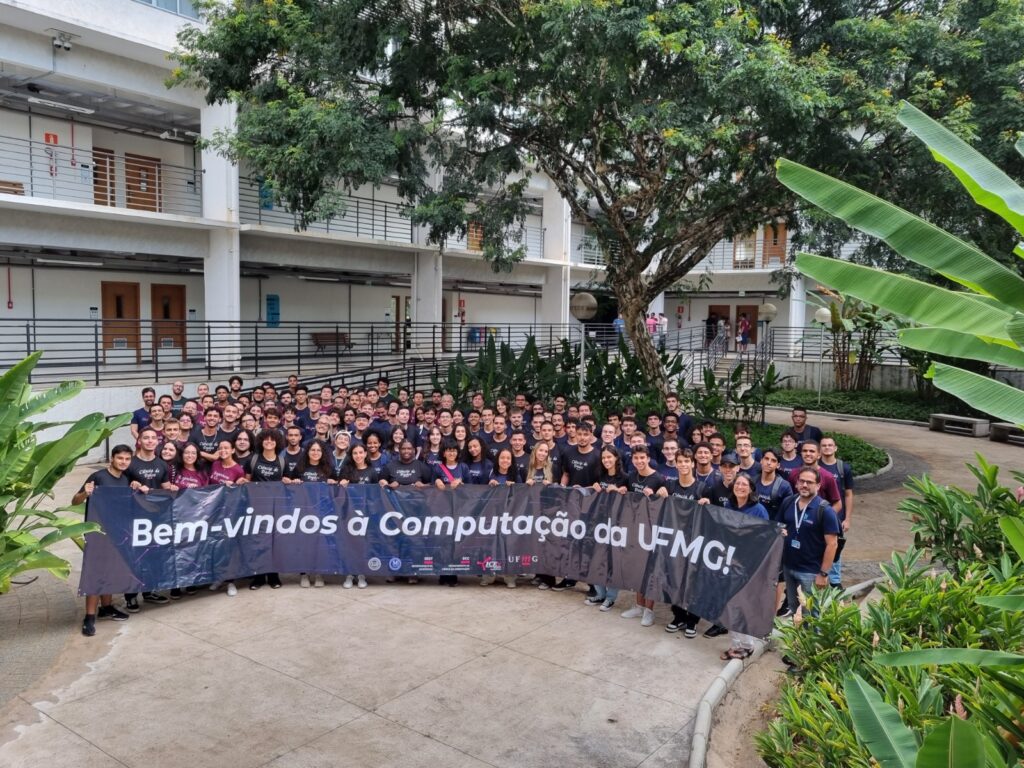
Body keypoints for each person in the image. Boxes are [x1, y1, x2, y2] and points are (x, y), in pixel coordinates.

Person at [74, 445, 133, 636]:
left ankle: (106, 607)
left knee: (110, 570)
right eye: (120, 458)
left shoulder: (126, 479)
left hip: (117, 531)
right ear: (112, 459)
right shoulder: (98, 476)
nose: (123, 462)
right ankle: (89, 616)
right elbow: (75, 500)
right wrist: (85, 493)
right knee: (96, 572)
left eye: (127, 459)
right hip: (97, 532)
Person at [780, 467, 840, 631]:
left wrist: (823, 574)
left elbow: (832, 544)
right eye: (802, 481)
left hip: (811, 572)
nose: (805, 485)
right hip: (789, 567)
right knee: (796, 611)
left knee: (812, 615)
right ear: (796, 483)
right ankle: (799, 642)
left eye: (809, 482)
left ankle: (813, 644)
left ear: (818, 486)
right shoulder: (788, 502)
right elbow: (780, 526)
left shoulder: (825, 510)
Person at [720, 474, 769, 660]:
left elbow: (765, 538)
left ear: (751, 489)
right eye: (737, 483)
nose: (740, 487)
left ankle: (747, 645)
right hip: (729, 562)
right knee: (729, 604)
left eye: (744, 484)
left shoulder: (759, 510)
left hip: (748, 565)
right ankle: (735, 645)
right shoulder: (728, 505)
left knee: (743, 605)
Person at [620, 445, 666, 627]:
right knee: (638, 568)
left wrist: (657, 495)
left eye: (642, 458)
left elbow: (665, 501)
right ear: (632, 460)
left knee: (650, 571)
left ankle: (649, 611)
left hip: (652, 529)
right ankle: (639, 606)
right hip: (635, 527)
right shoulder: (631, 476)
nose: (639, 461)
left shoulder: (658, 478)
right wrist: (621, 490)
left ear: (648, 458)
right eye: (636, 458)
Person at [246, 429, 285, 590]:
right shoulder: (253, 459)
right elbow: (247, 482)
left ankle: (274, 575)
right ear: (261, 441)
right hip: (256, 507)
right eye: (266, 439)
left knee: (274, 541)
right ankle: (259, 576)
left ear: (277, 443)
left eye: (272, 440)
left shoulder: (282, 461)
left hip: (275, 508)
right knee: (258, 541)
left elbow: (285, 482)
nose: (269, 442)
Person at [818, 436, 854, 588]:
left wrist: (847, 519)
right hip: (817, 515)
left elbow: (848, 494)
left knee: (835, 547)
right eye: (824, 445)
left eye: (830, 445)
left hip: (836, 516)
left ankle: (835, 581)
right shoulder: (816, 466)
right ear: (820, 449)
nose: (827, 448)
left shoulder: (843, 468)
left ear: (835, 448)